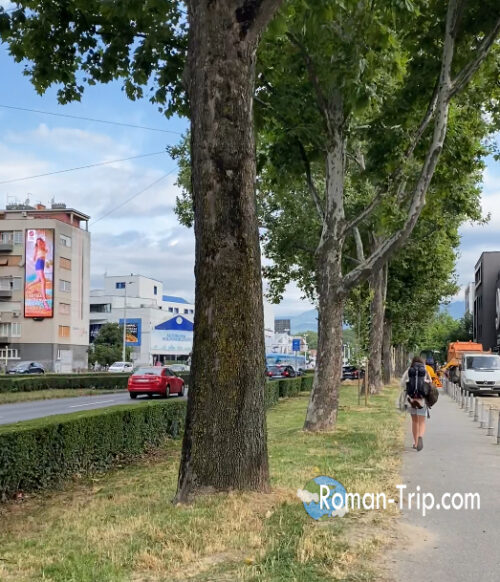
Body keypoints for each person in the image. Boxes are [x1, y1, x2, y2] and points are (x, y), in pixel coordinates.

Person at [401, 356, 432, 451]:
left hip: (411, 399)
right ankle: (420, 437)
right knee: (422, 421)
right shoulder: (425, 370)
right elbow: (430, 382)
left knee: (414, 421)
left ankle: (415, 443)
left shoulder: (409, 370)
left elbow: (402, 383)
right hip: (422, 399)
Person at [33, 237, 49, 311]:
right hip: (39, 262)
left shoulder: (44, 247)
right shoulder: (37, 248)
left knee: (38, 280)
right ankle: (45, 302)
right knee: (43, 280)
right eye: (37, 242)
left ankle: (27, 286)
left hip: (42, 263)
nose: (38, 243)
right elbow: (34, 258)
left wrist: (44, 245)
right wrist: (35, 255)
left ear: (42, 242)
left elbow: (46, 251)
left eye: (40, 242)